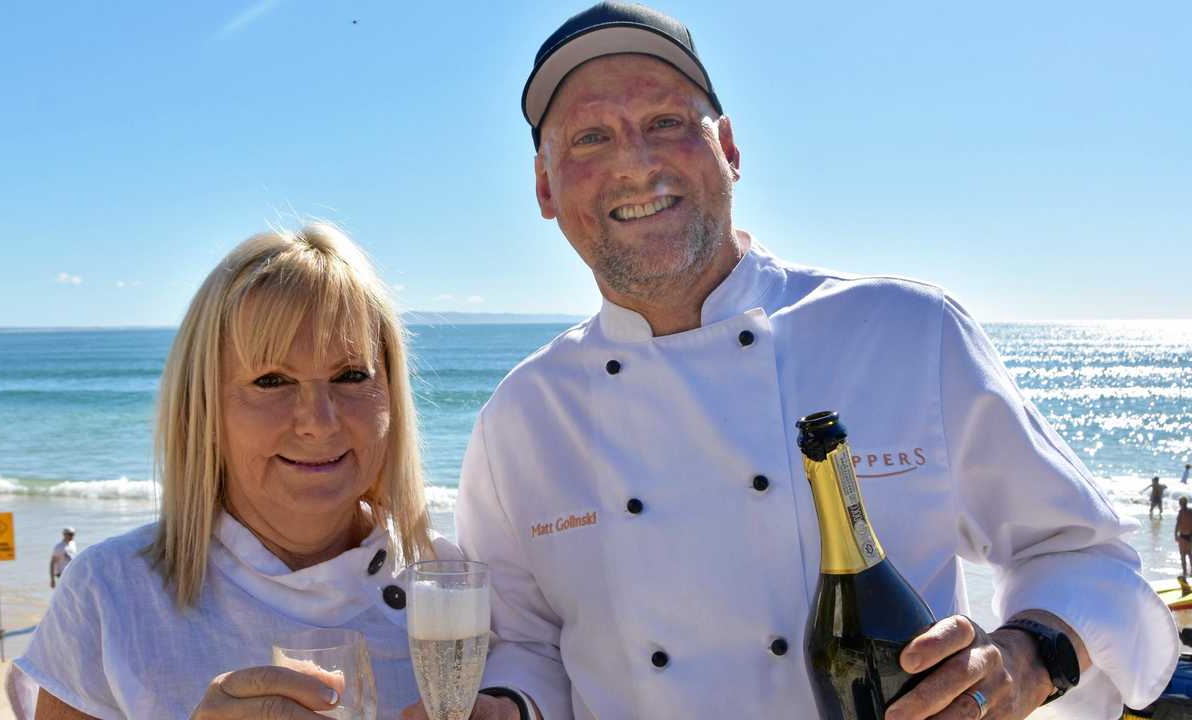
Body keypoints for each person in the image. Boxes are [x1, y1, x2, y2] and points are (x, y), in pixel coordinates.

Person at [444, 4, 1178, 720]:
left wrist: (1020, 662)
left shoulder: (905, 332)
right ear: (545, 187)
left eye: (666, 122)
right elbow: (526, 645)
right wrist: (509, 704)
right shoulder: (521, 419)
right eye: (590, 139)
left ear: (728, 149)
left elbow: (1087, 556)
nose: (635, 163)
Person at [7, 224, 457, 719]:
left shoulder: (452, 584)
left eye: (351, 375)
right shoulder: (112, 592)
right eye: (271, 380)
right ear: (204, 410)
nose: (319, 422)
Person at [1177, 498, 1192, 578]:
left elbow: (1177, 524)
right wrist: (1176, 535)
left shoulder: (1186, 512)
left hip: (1186, 536)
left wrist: (1175, 535)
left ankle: (1186, 572)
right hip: (1186, 536)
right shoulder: (1188, 511)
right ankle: (1185, 572)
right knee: (1187, 554)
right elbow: (1178, 523)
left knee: (1187, 554)